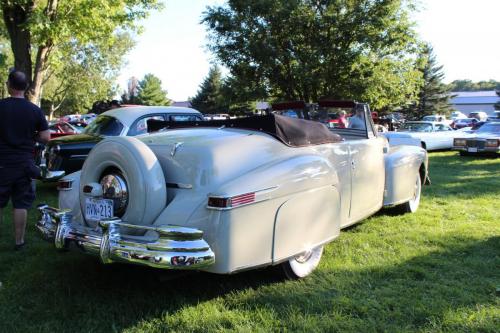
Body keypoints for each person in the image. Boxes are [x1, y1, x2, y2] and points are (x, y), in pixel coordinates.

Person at [0, 70, 49, 250]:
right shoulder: (34, 110)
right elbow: (45, 137)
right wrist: (32, 136)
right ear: (26, 87)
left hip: (2, 163)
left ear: (8, 85)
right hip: (24, 163)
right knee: (20, 204)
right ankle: (19, 242)